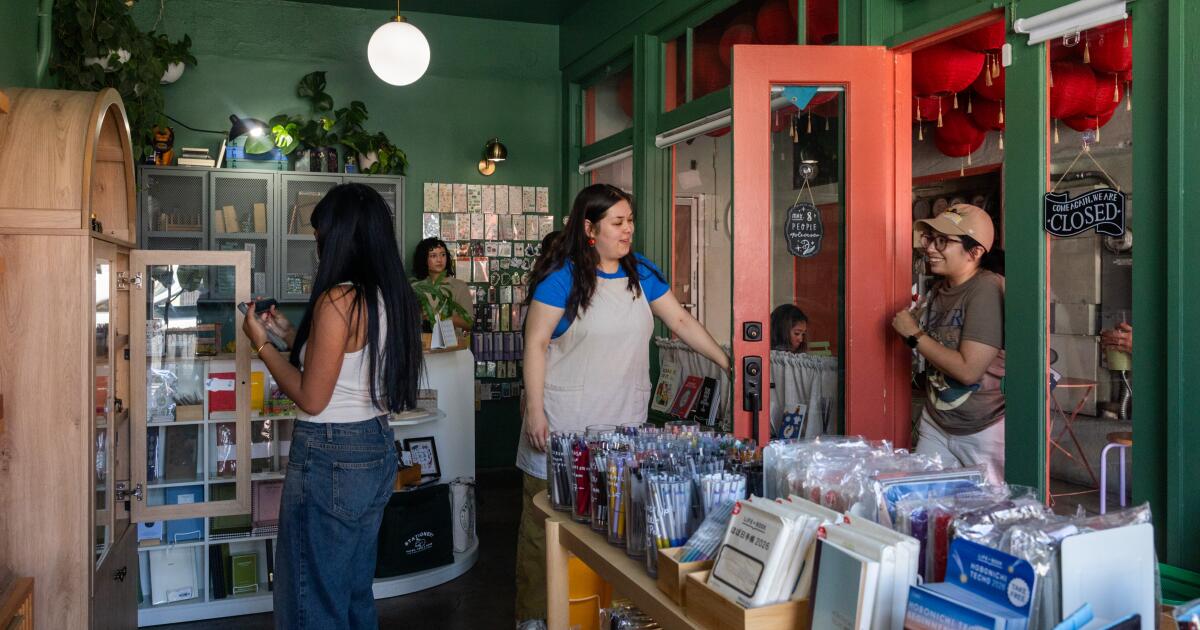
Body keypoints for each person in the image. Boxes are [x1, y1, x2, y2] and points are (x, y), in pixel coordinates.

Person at [513, 184, 730, 628]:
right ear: (590, 229)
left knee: (615, 531)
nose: (628, 229)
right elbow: (534, 344)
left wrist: (725, 361)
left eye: (630, 220)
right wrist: (534, 410)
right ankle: (537, 619)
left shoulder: (641, 273)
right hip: (561, 426)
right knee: (544, 531)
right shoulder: (563, 278)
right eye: (618, 222)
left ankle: (603, 617)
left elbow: (681, 320)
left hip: (623, 428)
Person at [241, 183, 424, 630]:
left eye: (319, 232)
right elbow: (348, 366)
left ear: (339, 235)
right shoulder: (391, 296)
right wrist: (288, 335)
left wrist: (262, 346)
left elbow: (311, 397)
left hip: (330, 453)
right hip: (375, 445)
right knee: (353, 589)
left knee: (312, 596)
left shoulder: (338, 300)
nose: (316, 243)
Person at [892, 204, 1006, 484]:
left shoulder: (986, 289)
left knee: (986, 512)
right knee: (925, 503)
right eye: (929, 238)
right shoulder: (939, 290)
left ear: (975, 252)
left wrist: (915, 335)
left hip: (983, 427)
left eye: (943, 241)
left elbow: (969, 370)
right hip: (938, 421)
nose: (930, 248)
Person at [411, 237, 474, 332]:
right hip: (422, 343)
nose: (439, 260)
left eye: (443, 255)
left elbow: (469, 323)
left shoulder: (459, 286)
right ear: (423, 259)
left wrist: (442, 317)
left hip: (452, 345)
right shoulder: (415, 287)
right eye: (433, 256)